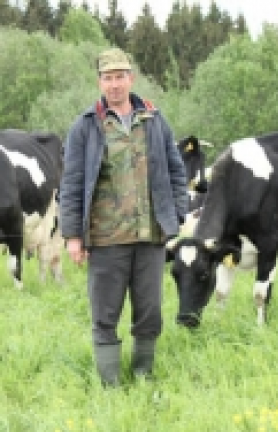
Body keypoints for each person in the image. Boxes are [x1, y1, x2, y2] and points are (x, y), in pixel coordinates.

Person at [60, 47, 188, 386]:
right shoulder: (86, 127)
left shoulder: (155, 121)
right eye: (108, 78)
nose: (114, 84)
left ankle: (144, 376)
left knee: (150, 312)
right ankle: (110, 383)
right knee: (105, 314)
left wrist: (177, 214)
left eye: (120, 77)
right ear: (99, 82)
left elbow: (177, 171)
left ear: (131, 79)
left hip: (151, 236)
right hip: (106, 238)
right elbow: (71, 183)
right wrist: (73, 236)